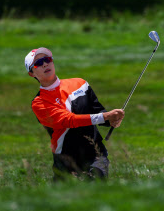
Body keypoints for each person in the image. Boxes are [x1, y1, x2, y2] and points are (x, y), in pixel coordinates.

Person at [25, 47, 124, 181]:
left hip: (95, 152)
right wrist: (105, 116)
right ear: (32, 74)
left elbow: (97, 110)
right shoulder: (39, 103)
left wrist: (110, 120)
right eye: (38, 63)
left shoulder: (80, 84)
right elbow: (69, 120)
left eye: (47, 59)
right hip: (66, 159)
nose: (44, 64)